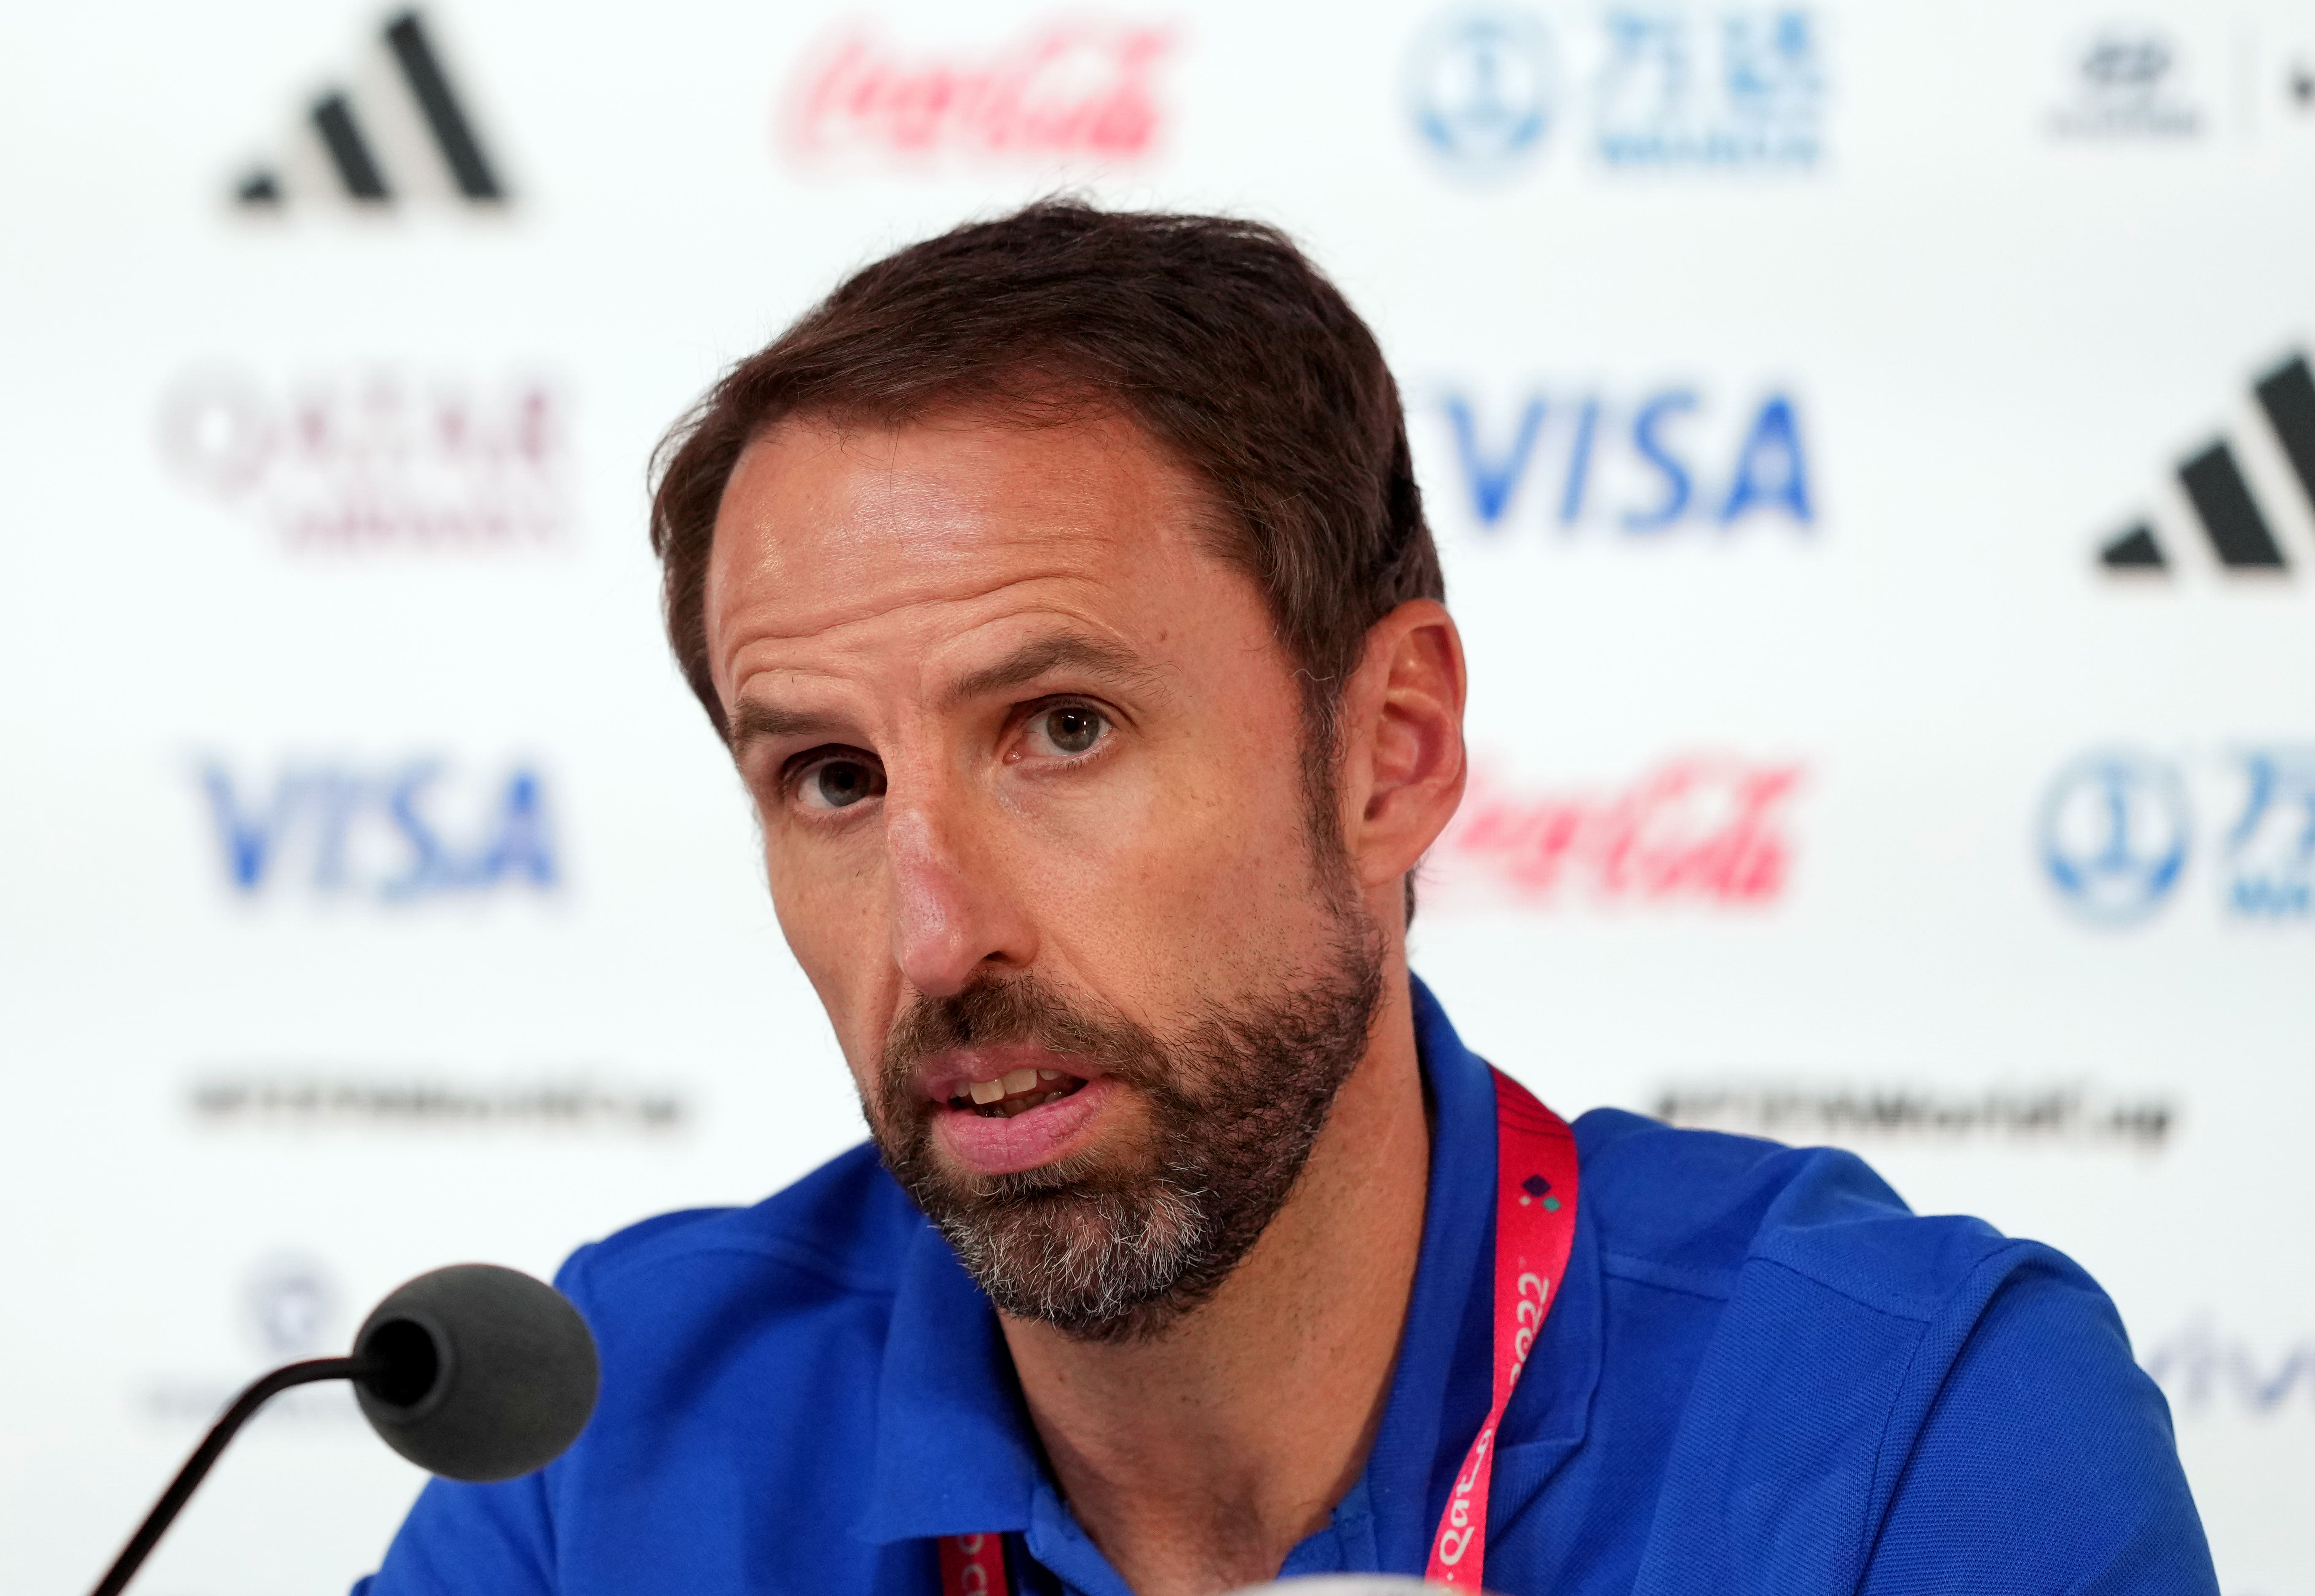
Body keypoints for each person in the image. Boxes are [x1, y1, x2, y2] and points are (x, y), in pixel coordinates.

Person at [354, 202, 2214, 1596]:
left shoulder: (1907, 1427)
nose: (934, 937)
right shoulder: (603, 1450)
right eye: (831, 778)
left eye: (1060, 728)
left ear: (1389, 751)